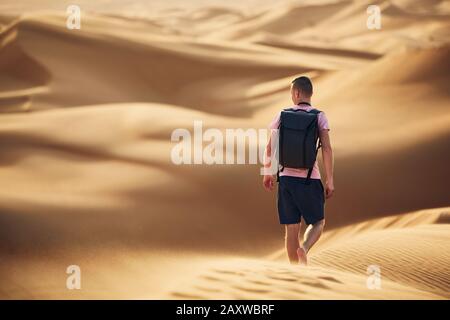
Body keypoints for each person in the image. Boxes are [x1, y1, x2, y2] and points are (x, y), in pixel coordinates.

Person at [263, 76, 334, 265]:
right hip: (310, 178)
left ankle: (295, 272)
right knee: (318, 222)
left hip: (286, 179)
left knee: (291, 230)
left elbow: (269, 147)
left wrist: (268, 173)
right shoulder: (319, 116)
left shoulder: (282, 115)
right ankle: (305, 248)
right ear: (310, 93)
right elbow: (326, 148)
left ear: (296, 93)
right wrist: (330, 180)